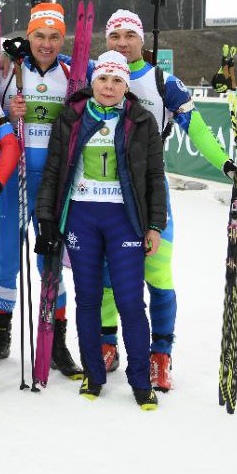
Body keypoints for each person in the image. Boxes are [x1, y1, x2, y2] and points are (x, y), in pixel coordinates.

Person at [97, 10, 237, 390]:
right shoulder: (97, 76)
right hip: (104, 193)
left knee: (158, 276)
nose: (122, 43)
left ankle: (161, 355)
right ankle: (106, 344)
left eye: (130, 35)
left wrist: (228, 165)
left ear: (141, 40)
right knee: (107, 277)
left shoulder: (163, 82)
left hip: (149, 193)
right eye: (115, 36)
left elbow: (198, 131)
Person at [35, 50, 167, 411]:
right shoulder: (72, 116)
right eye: (103, 79)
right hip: (82, 217)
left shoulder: (141, 120)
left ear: (126, 85)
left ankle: (141, 382)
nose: (109, 87)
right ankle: (94, 375)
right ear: (93, 81)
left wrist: (155, 225)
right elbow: (53, 170)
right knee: (88, 299)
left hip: (124, 219)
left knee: (129, 302)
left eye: (117, 81)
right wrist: (47, 219)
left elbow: (155, 177)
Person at [0, 1, 81, 377]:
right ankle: (1, 334)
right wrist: (8, 114)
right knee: (8, 261)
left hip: (54, 185)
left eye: (54, 37)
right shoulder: (9, 73)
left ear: (63, 39)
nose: (46, 44)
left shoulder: (72, 75)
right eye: (39, 36)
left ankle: (56, 340)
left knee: (50, 264)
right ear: (29, 36)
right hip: (14, 178)